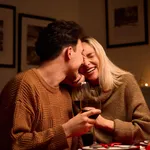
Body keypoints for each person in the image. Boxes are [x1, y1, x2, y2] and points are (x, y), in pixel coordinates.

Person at [0, 21, 101, 150]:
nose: (83, 61)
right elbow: (15, 144)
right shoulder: (24, 85)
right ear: (69, 52)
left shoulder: (64, 92)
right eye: (81, 53)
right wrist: (66, 130)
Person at [67, 36, 150, 145]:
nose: (86, 63)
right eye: (81, 61)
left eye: (90, 56)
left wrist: (104, 123)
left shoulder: (125, 82)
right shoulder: (75, 90)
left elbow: (146, 130)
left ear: (101, 56)